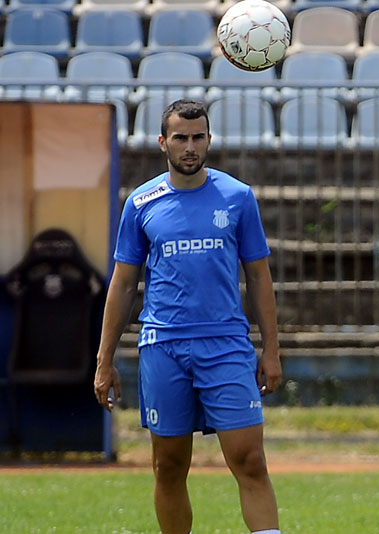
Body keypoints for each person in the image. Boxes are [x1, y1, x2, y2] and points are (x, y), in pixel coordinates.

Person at [93, 99, 282, 534]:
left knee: (250, 460)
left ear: (209, 140)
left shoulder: (237, 197)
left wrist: (271, 349)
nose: (190, 146)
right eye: (181, 137)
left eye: (198, 137)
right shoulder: (142, 203)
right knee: (169, 466)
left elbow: (258, 277)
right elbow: (122, 285)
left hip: (226, 346)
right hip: (163, 347)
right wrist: (105, 360)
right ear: (163, 143)